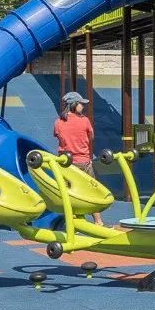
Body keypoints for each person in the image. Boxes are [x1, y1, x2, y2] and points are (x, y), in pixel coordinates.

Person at [54, 91, 103, 226]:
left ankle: (72, 223)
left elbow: (58, 136)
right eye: (81, 104)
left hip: (66, 163)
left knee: (68, 192)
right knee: (91, 191)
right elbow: (91, 137)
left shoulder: (58, 122)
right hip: (83, 161)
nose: (83, 106)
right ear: (74, 105)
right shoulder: (84, 120)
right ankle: (98, 221)